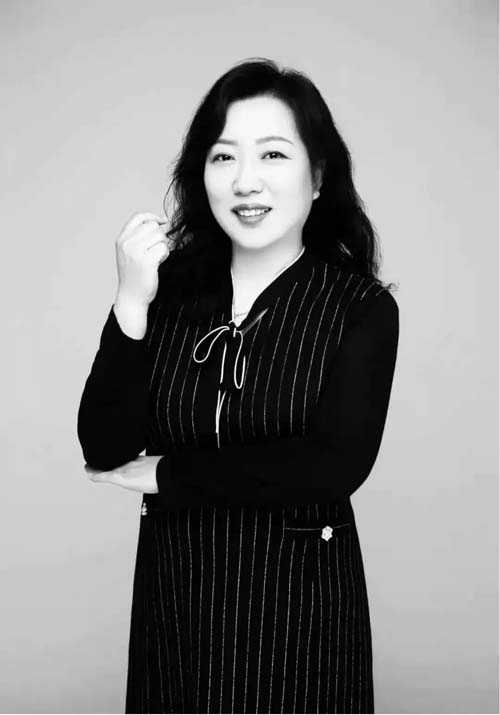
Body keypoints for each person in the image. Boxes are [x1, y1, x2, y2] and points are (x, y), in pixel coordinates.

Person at [77, 57, 399, 714]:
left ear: (318, 177)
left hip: (302, 615)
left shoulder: (359, 308)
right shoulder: (170, 293)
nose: (245, 181)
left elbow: (331, 466)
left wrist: (168, 474)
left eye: (273, 154)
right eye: (223, 157)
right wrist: (131, 302)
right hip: (178, 605)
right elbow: (105, 448)